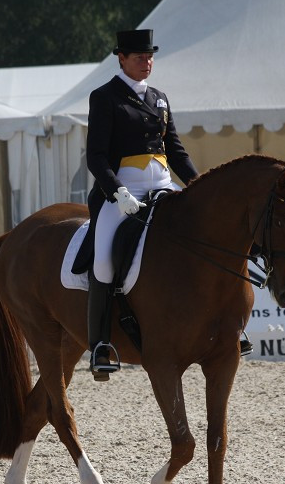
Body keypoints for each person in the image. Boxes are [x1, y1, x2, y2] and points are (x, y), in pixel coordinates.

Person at [84, 28, 208, 379]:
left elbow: (176, 152)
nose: (147, 62)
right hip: (123, 193)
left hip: (163, 187)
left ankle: (222, 326)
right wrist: (117, 191)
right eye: (140, 57)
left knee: (205, 237)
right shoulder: (105, 97)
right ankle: (100, 345)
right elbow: (95, 156)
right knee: (105, 260)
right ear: (121, 58)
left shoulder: (160, 98)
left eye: (150, 56)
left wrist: (199, 186)